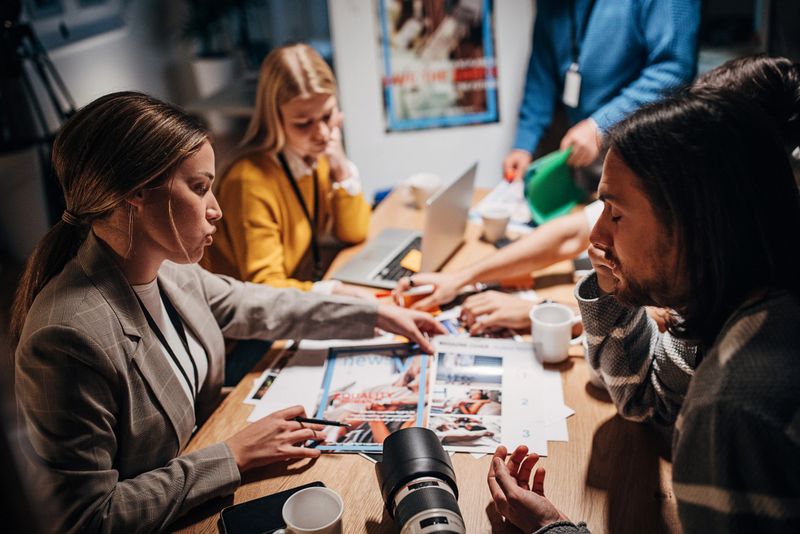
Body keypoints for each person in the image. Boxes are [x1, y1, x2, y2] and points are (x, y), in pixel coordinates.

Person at [11, 91, 446, 533]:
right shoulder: (66, 338)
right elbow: (86, 518)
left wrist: (373, 313)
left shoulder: (168, 268)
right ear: (134, 194)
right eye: (200, 188)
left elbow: (252, 303)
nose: (216, 209)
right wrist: (233, 455)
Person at [488, 84, 800, 531]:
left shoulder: (733, 408)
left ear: (695, 221)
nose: (596, 236)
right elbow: (647, 403)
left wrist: (552, 528)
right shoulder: (733, 309)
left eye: (615, 213)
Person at [202, 44, 373, 297]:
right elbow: (264, 288)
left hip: (293, 295)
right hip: (247, 322)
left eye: (327, 116)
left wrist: (339, 166)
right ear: (274, 120)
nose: (322, 134)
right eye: (303, 124)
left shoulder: (317, 155)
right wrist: (334, 292)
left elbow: (354, 232)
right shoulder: (249, 181)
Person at [503, 0, 699, 187]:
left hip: (646, 152)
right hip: (587, 155)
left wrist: (601, 125)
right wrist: (524, 145)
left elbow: (674, 69)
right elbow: (540, 76)